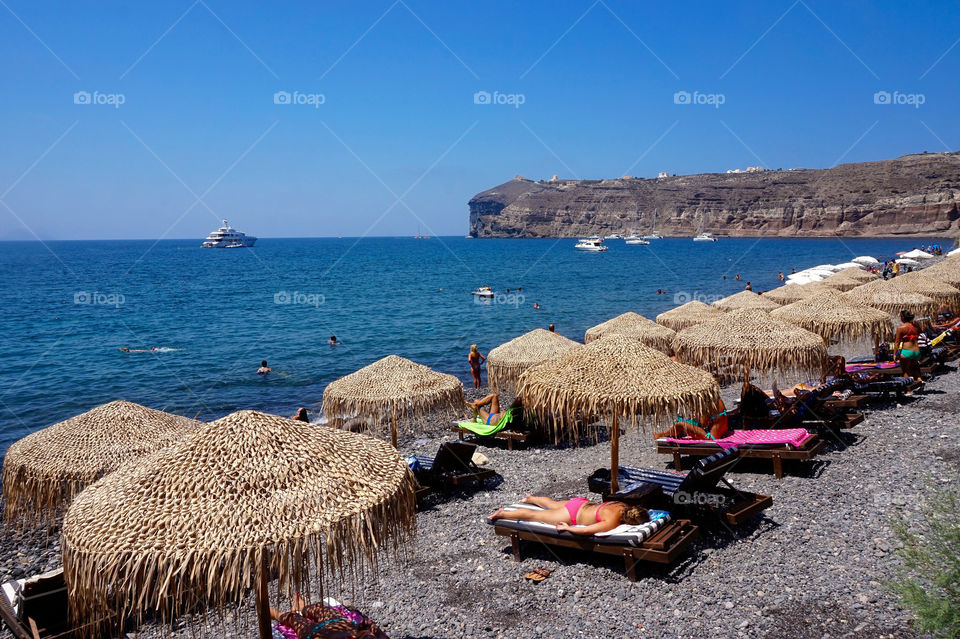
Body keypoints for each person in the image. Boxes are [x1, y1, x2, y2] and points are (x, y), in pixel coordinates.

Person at [489, 494, 649, 535]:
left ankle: (531, 498)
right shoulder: (612, 522)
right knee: (533, 516)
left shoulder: (621, 505)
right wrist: (569, 528)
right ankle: (502, 514)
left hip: (582, 502)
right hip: (571, 515)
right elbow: (587, 531)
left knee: (551, 504)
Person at [271, 592, 387, 639]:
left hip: (315, 633)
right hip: (339, 624)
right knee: (318, 609)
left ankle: (272, 612)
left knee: (293, 619)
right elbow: (370, 628)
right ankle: (302, 606)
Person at [653, 399, 729, 440]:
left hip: (712, 437)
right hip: (722, 432)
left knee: (681, 424)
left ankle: (663, 434)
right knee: (686, 422)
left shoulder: (707, 404)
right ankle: (671, 432)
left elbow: (704, 424)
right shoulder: (718, 400)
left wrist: (697, 411)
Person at [893, 309, 923, 385]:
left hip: (906, 351)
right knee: (915, 367)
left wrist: (895, 354)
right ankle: (920, 381)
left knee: (906, 371)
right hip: (917, 351)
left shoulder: (901, 328)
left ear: (903, 317)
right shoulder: (917, 326)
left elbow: (897, 343)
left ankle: (908, 390)